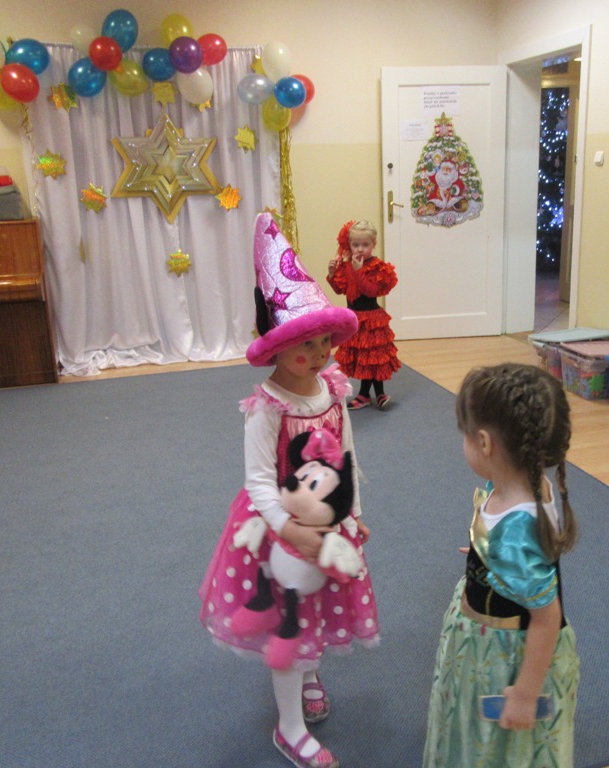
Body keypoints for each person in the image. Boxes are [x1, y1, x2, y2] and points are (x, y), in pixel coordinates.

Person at [200, 213, 379, 768]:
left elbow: (346, 456)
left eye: (326, 342)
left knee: (316, 609)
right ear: (276, 348)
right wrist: (288, 529)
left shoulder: (333, 388)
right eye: (307, 345)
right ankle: (290, 728)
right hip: (279, 531)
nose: (321, 353)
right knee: (289, 624)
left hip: (326, 521)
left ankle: (310, 670)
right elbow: (258, 480)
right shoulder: (267, 407)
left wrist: (352, 513)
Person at [423, 363, 580, 768]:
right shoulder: (524, 482)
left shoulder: (516, 532)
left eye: (465, 434)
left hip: (501, 654)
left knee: (494, 747)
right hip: (489, 624)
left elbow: (547, 617)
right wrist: (484, 554)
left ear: (484, 442)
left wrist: (525, 693)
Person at [326, 219, 401, 411]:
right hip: (354, 318)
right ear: (349, 245)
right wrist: (332, 274)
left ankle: (376, 394)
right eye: (355, 244)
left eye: (365, 244)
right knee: (363, 359)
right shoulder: (347, 266)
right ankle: (366, 394)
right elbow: (340, 290)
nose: (360, 249)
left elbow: (371, 291)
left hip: (371, 319)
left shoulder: (377, 266)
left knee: (373, 358)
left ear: (373, 244)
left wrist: (359, 272)